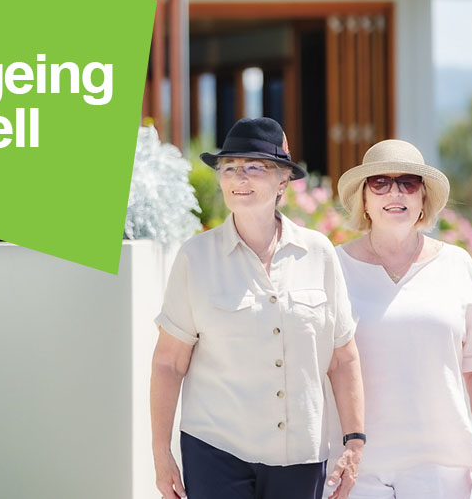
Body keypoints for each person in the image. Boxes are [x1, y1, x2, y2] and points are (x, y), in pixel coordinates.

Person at [150, 117, 365, 499]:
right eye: (229, 168)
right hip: (216, 450)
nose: (239, 178)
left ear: (283, 181)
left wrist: (354, 441)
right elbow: (169, 362)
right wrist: (160, 453)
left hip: (301, 455)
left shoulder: (318, 254)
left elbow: (343, 357)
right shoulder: (195, 257)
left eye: (255, 167)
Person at [328, 139, 472, 499]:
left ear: (423, 197)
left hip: (440, 464)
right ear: (363, 198)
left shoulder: (457, 265)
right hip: (353, 463)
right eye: (380, 183)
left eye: (408, 182)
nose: (395, 192)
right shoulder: (331, 266)